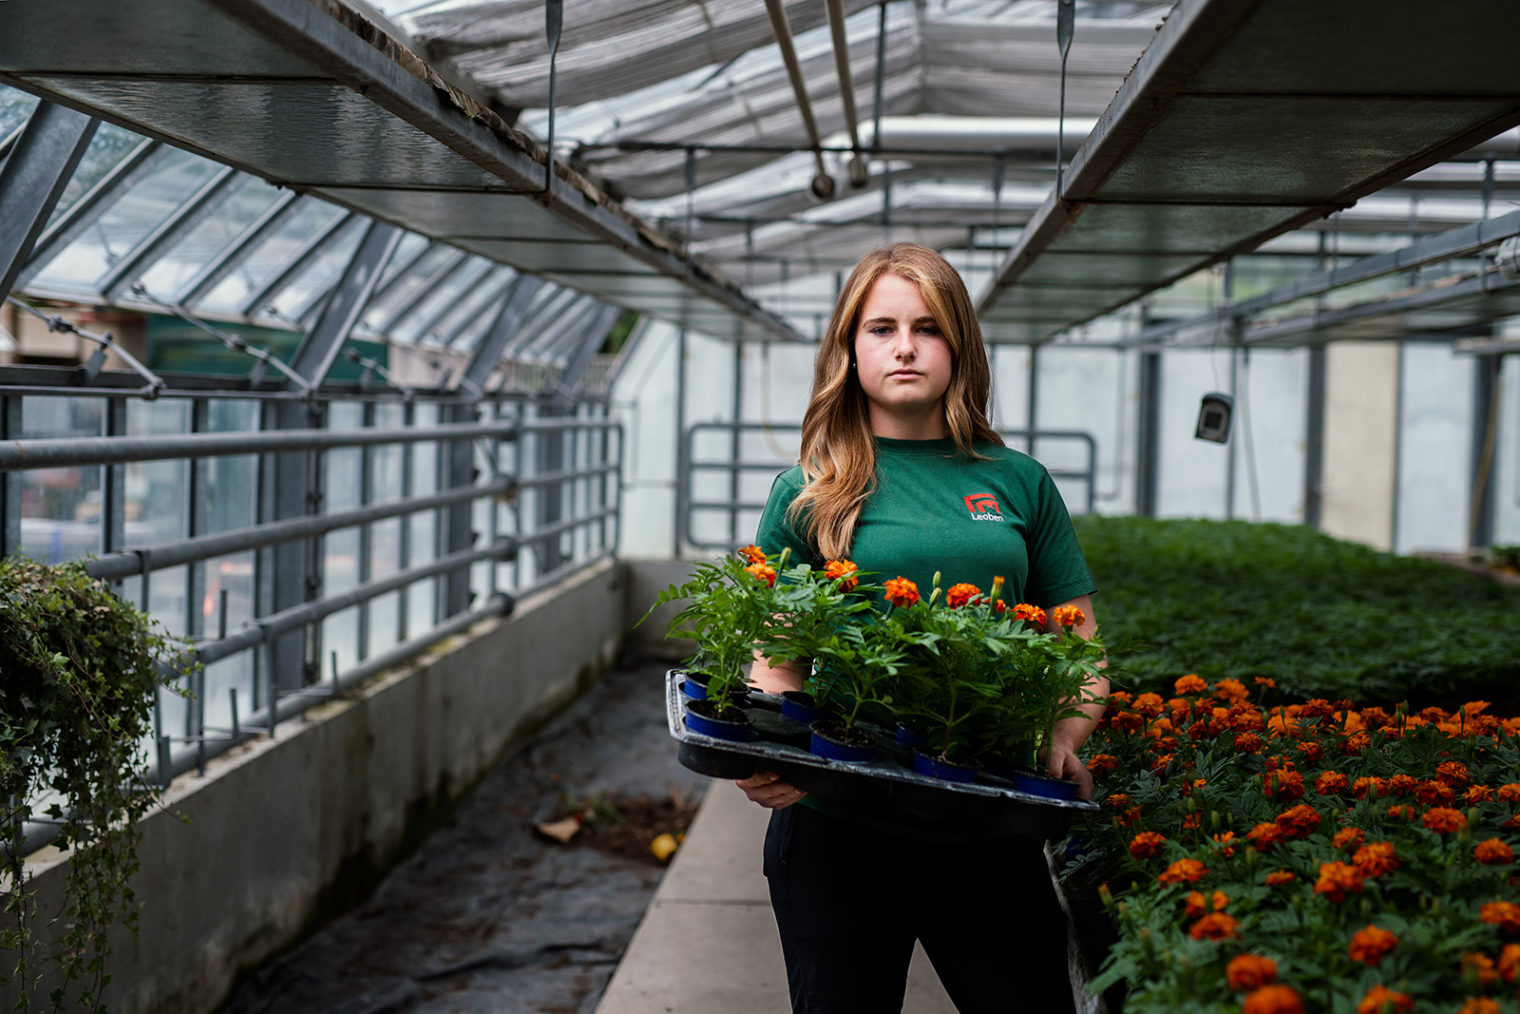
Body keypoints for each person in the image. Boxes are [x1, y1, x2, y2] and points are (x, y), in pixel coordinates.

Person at [738, 242, 1108, 1014]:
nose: (905, 346)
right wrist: (766, 751)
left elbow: (1080, 646)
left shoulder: (1018, 482)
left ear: (959, 346)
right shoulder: (808, 492)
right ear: (850, 348)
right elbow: (774, 656)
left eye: (927, 327)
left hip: (988, 819)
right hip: (837, 824)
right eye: (881, 328)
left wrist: (1065, 734)